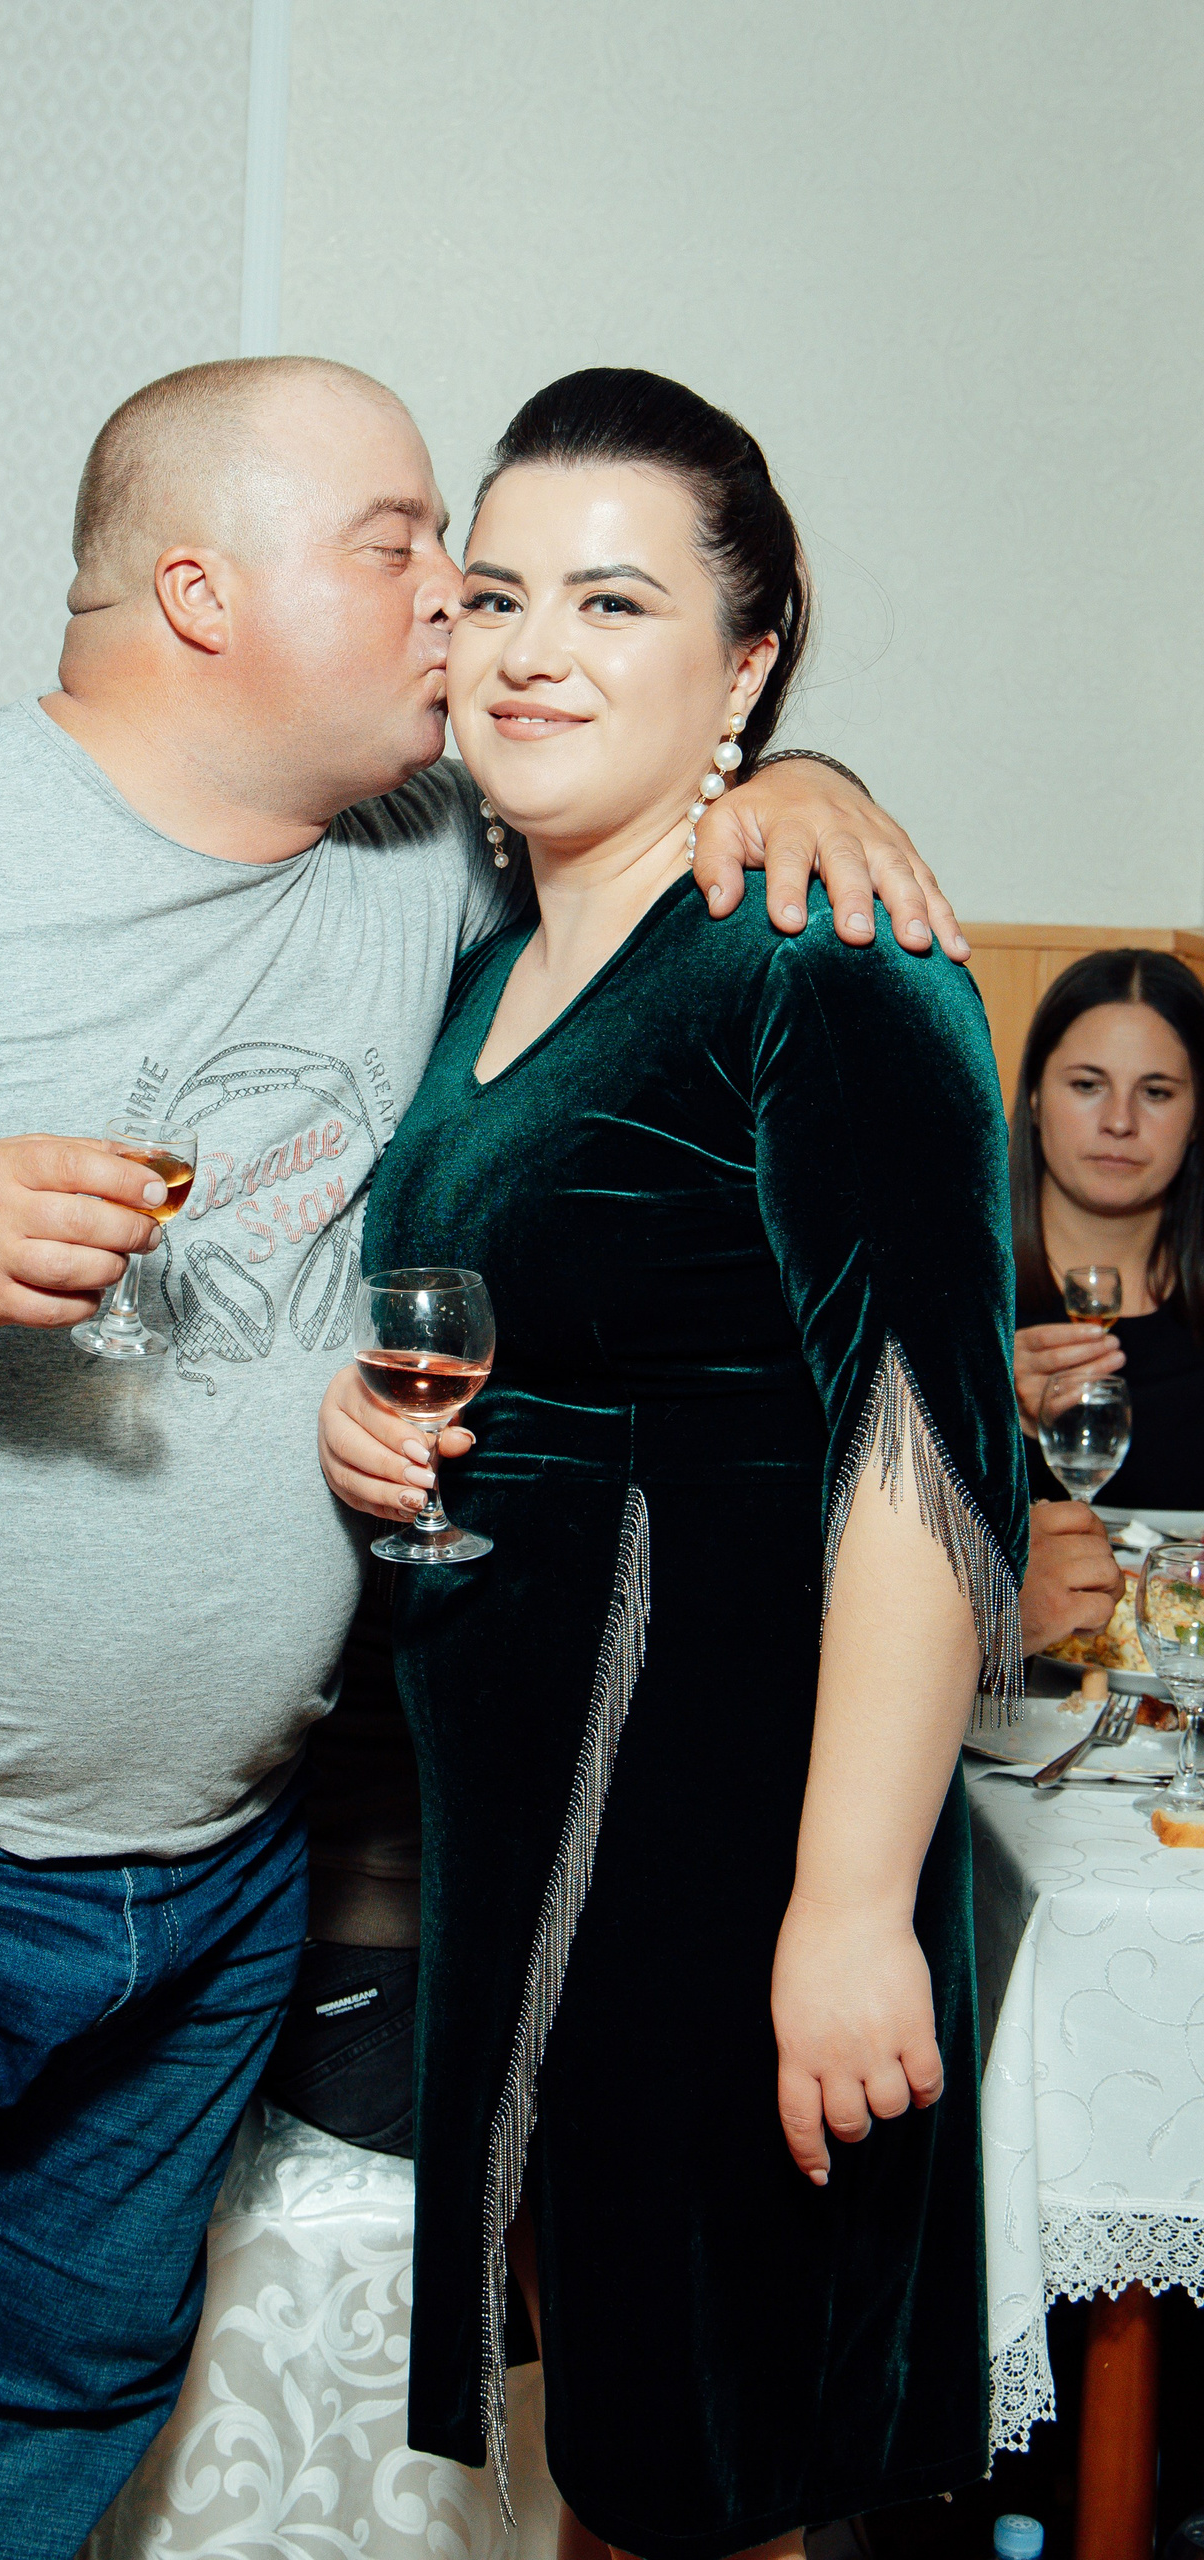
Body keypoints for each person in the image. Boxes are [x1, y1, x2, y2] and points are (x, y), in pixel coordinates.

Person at [0, 354, 965, 2560]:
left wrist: (808, 774)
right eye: (409, 553)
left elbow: (658, 839)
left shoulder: (427, 859)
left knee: (30, 2439)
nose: (461, 606)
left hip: (197, 1882)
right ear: (201, 591)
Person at [319, 368, 1027, 2558]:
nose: (532, 649)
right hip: (528, 1829)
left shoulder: (818, 957)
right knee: (621, 2462)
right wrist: (374, 1432)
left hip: (728, 1840)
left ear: (748, 662)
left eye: (613, 603)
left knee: (706, 2486)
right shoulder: (495, 971)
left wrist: (849, 1913)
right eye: (499, 594)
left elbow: (923, 1452)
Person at [1008, 949, 1204, 1512]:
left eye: (1156, 1092)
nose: (1120, 1121)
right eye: (1088, 1085)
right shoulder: (950, 1290)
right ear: (1036, 1097)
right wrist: (983, 1412)